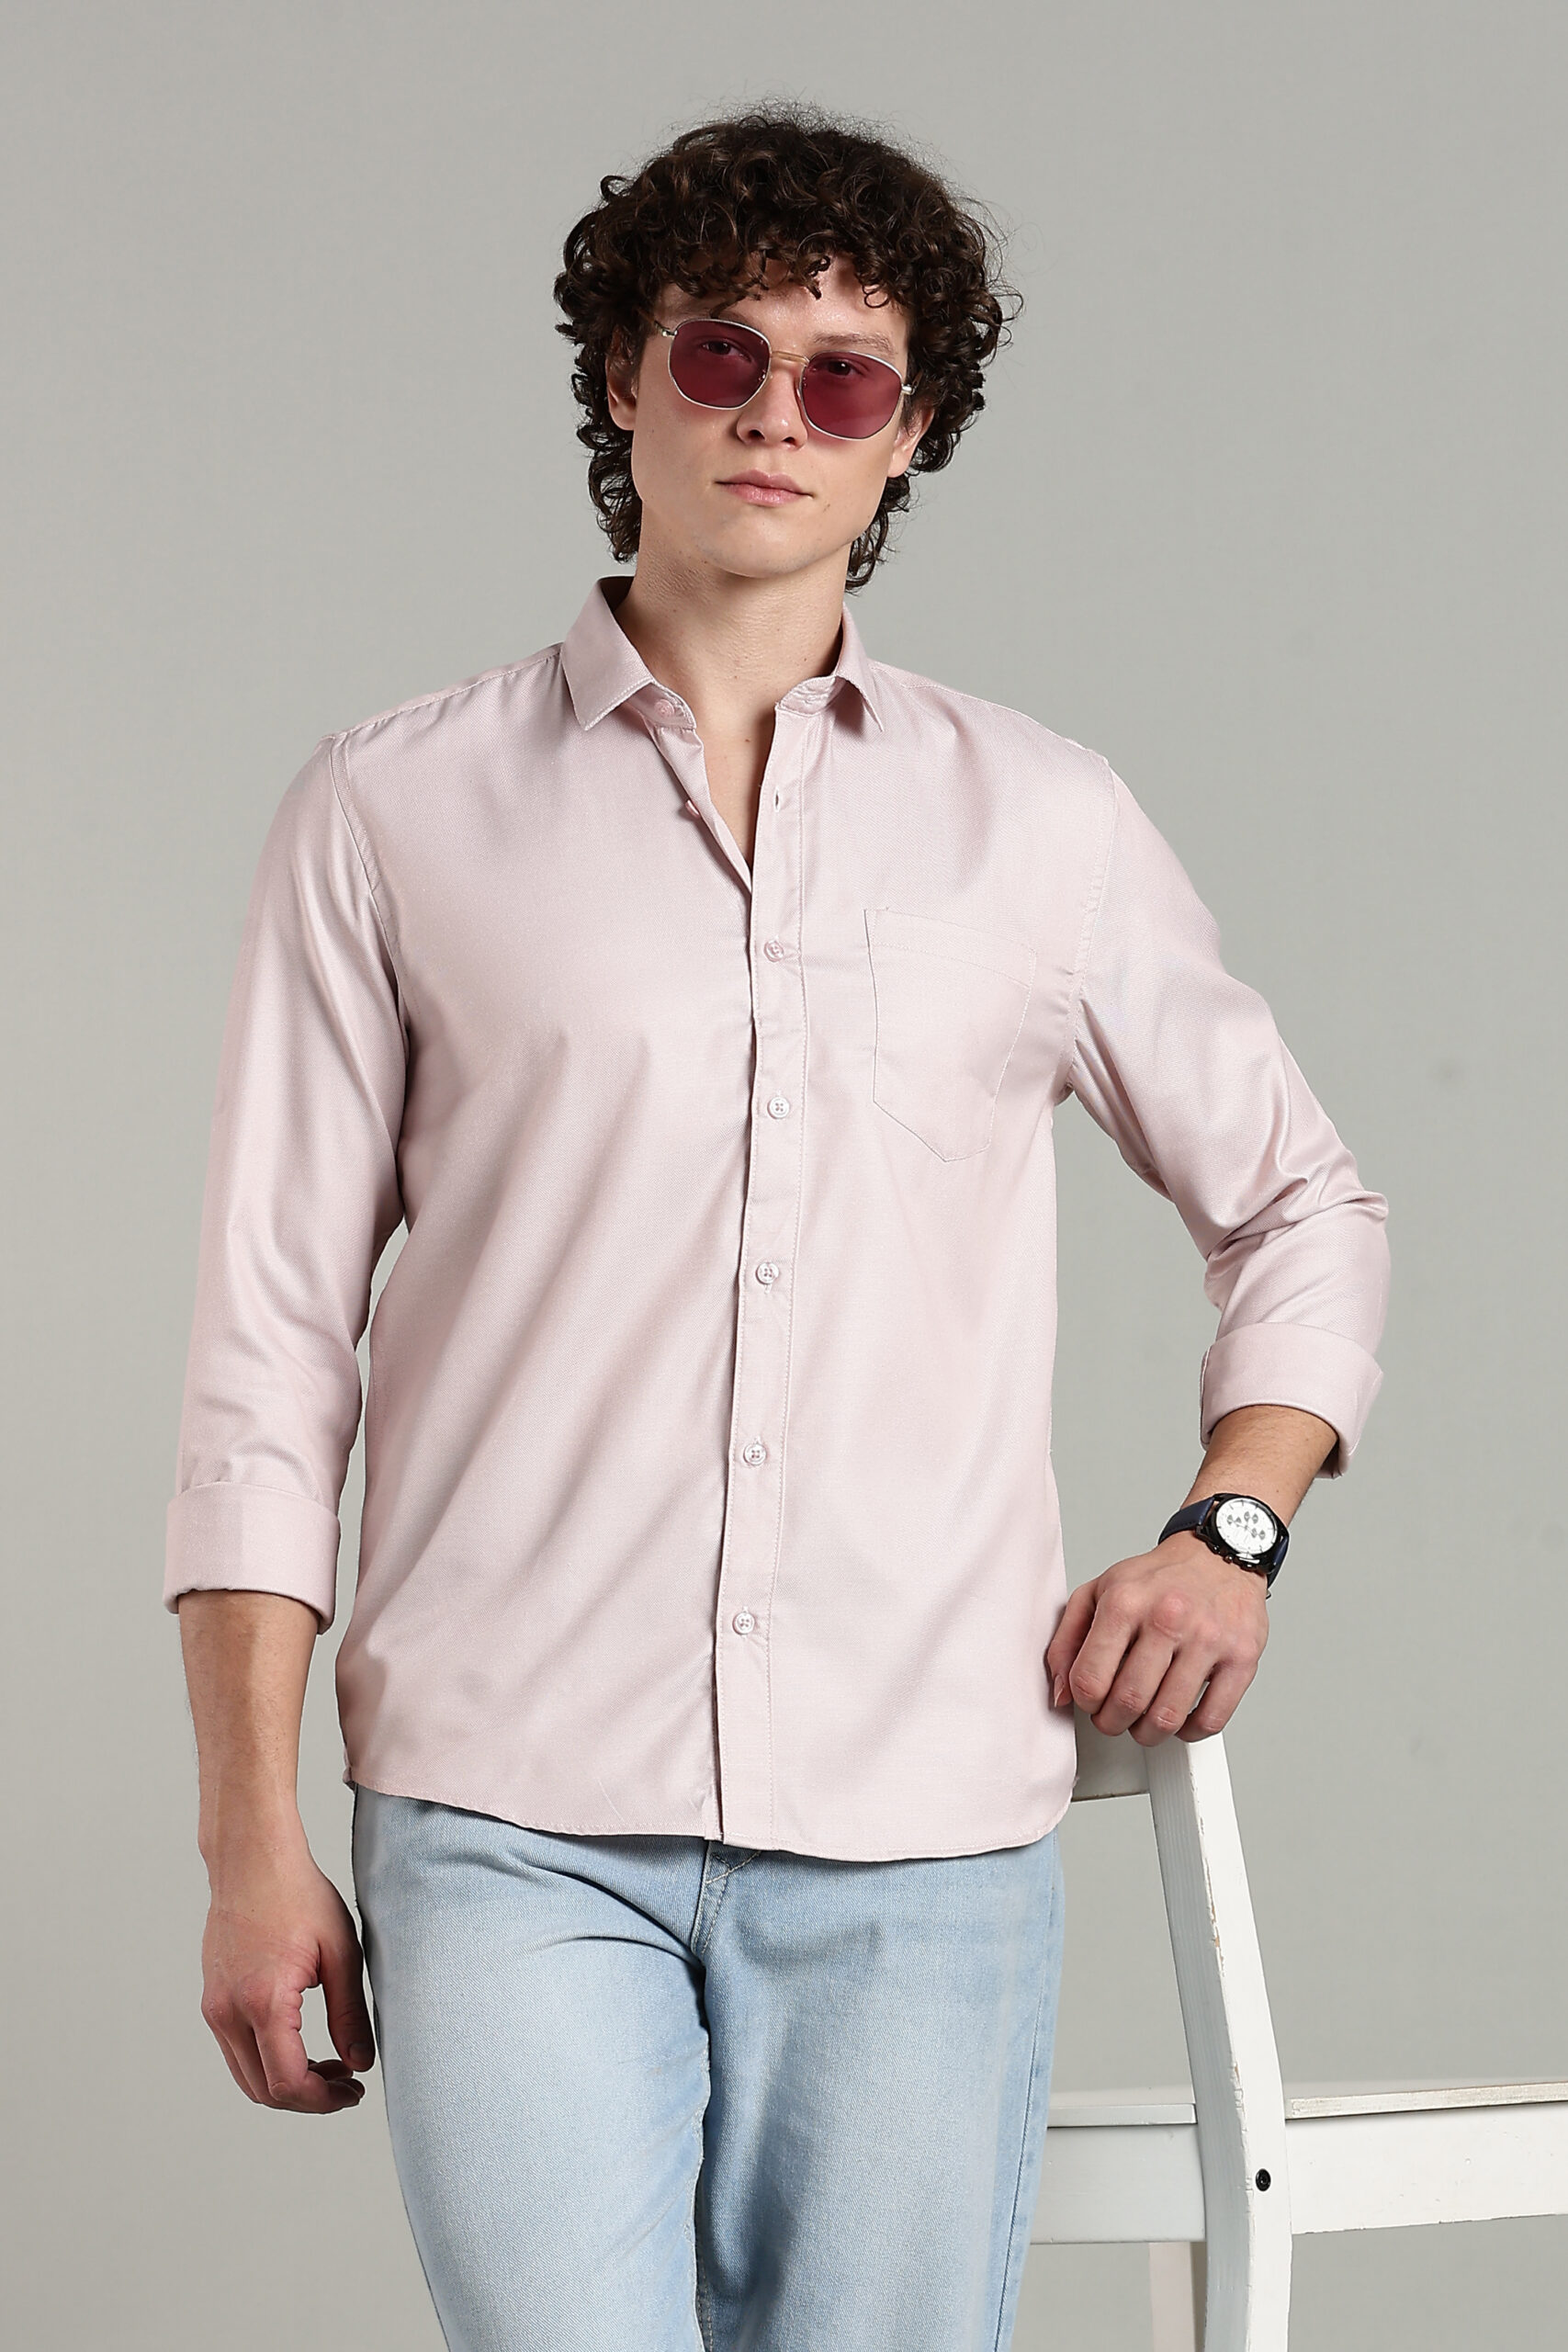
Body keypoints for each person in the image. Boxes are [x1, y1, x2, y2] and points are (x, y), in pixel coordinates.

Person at [165, 105, 1391, 2352]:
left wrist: (1231, 1524)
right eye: (720, 352)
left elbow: (1301, 1200)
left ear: (906, 433)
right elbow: (268, 1349)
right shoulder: (390, 806)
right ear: (621, 376)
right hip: (505, 1805)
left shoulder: (1040, 825)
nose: (772, 416)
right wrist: (250, 1836)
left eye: (843, 377)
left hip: (920, 1824)